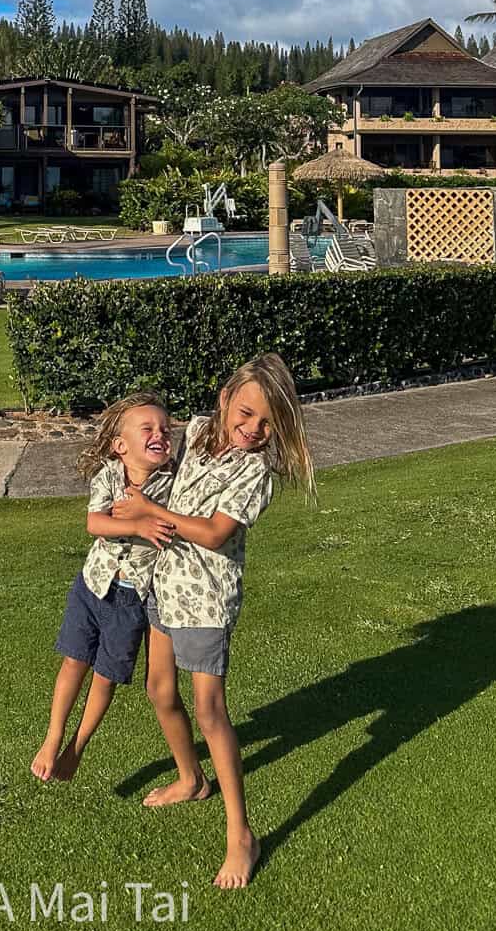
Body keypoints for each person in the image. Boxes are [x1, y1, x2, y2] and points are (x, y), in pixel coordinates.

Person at [113, 352, 315, 889]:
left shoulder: (256, 474)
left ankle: (240, 834)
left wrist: (149, 515)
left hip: (205, 600)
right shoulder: (199, 431)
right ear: (225, 399)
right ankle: (189, 779)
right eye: (245, 413)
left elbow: (213, 533)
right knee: (159, 690)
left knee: (210, 712)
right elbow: (162, 477)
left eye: (267, 422)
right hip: (165, 584)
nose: (253, 429)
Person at [31, 392, 177, 782]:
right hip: (93, 586)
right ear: (120, 445)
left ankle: (76, 747)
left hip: (132, 600)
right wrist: (138, 524)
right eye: (147, 428)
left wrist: (151, 512)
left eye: (165, 428)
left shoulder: (173, 485)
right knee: (74, 660)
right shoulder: (109, 476)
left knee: (105, 676)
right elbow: (95, 523)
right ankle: (52, 737)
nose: (159, 434)